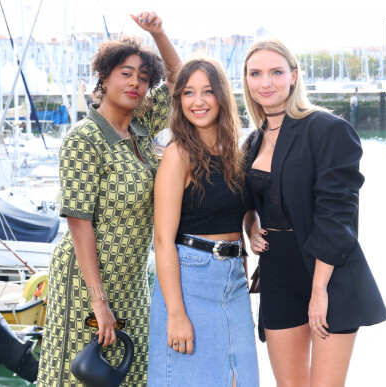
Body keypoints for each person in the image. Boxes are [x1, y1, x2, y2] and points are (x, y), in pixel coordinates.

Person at [36, 12, 181, 387]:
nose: (136, 83)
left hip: (131, 280)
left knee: (130, 374)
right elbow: (79, 224)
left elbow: (183, 83)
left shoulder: (140, 126)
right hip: (87, 283)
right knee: (81, 376)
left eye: (144, 78)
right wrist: (99, 302)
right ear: (104, 77)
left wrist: (158, 34)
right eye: (126, 73)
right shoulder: (84, 138)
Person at [241, 38, 386, 386]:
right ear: (246, 81)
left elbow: (337, 218)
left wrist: (319, 290)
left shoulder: (327, 129)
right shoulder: (252, 142)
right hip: (277, 273)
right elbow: (247, 201)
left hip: (328, 272)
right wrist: (252, 229)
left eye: (276, 72)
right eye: (256, 73)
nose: (266, 82)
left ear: (294, 76)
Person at [148, 58, 259, 386]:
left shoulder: (236, 152)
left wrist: (251, 232)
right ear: (179, 100)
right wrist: (176, 313)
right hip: (189, 279)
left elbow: (244, 210)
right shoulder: (177, 153)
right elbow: (162, 240)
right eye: (188, 93)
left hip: (234, 281)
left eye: (207, 91)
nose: (198, 102)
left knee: (243, 380)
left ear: (222, 96)